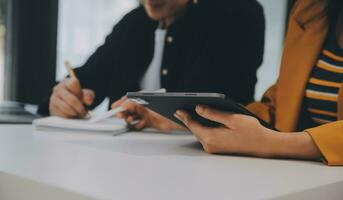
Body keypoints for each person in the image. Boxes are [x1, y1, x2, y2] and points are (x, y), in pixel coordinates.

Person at [114, 0, 343, 166]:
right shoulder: (312, 11)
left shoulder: (236, 12)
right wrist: (180, 118)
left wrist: (275, 143)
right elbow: (279, 105)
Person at [38, 0, 265, 117]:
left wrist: (156, 115)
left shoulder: (237, 14)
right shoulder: (133, 24)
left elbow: (227, 104)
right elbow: (88, 78)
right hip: (123, 168)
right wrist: (63, 97)